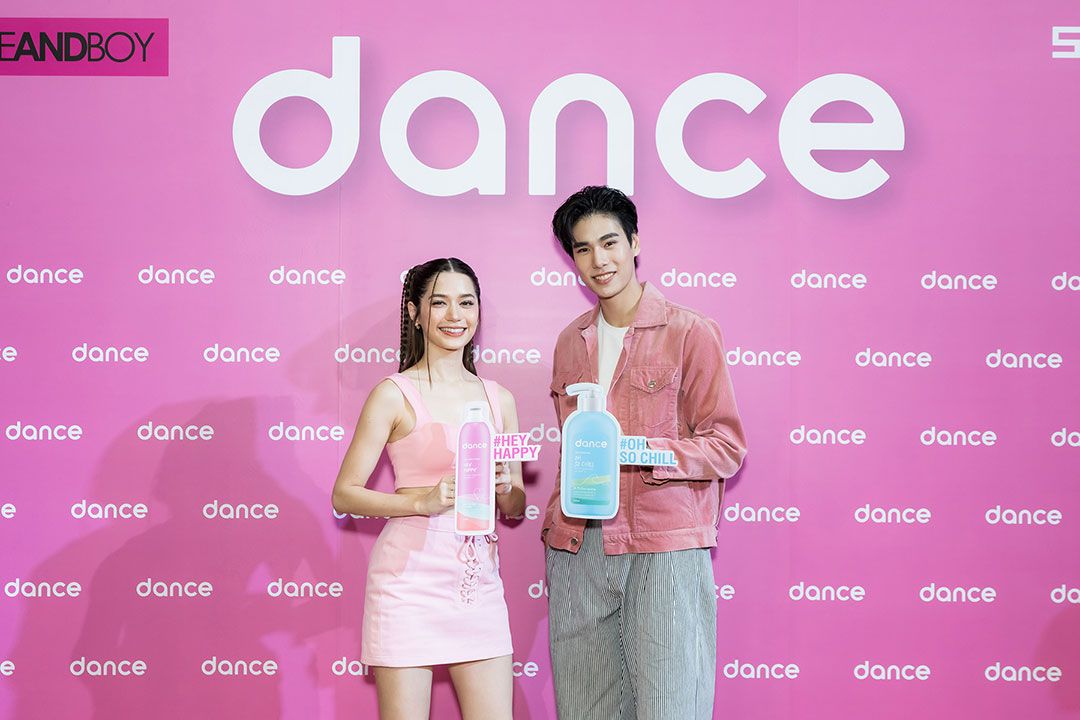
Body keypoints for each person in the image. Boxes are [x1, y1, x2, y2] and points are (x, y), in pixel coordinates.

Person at [541, 187, 748, 720]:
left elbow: (726, 447)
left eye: (609, 242)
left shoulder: (689, 332)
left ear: (634, 243)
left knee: (670, 706)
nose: (599, 260)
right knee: (584, 709)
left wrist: (642, 451)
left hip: (663, 544)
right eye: (583, 248)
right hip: (579, 545)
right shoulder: (570, 341)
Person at [332, 258, 526, 720]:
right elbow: (345, 494)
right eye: (440, 303)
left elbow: (516, 506)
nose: (455, 315)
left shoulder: (498, 398)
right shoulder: (393, 393)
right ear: (415, 313)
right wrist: (422, 501)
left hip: (477, 585)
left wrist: (505, 486)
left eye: (467, 303)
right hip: (407, 586)